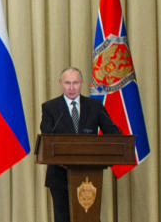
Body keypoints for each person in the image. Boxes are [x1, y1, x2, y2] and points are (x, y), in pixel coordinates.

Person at [39, 67, 120, 222]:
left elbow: (112, 132)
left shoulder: (94, 106)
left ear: (81, 83)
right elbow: (46, 137)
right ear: (60, 84)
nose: (71, 88)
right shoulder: (50, 107)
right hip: (59, 176)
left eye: (75, 83)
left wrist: (120, 140)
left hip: (89, 176)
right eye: (67, 83)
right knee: (63, 218)